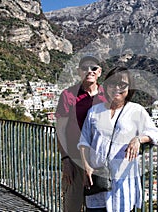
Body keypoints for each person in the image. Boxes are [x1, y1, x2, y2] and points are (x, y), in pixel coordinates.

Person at [77, 66, 158, 211]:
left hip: (123, 181)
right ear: (106, 86)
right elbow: (84, 142)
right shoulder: (95, 111)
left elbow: (153, 132)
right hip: (97, 178)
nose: (117, 88)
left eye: (122, 84)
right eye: (112, 83)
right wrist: (86, 167)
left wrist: (138, 139)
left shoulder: (136, 110)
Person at [55, 55, 106, 212]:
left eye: (93, 68)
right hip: (75, 161)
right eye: (85, 68)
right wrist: (66, 160)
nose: (89, 71)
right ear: (79, 71)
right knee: (73, 206)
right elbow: (60, 130)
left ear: (99, 72)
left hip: (99, 163)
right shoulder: (68, 95)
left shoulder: (108, 94)